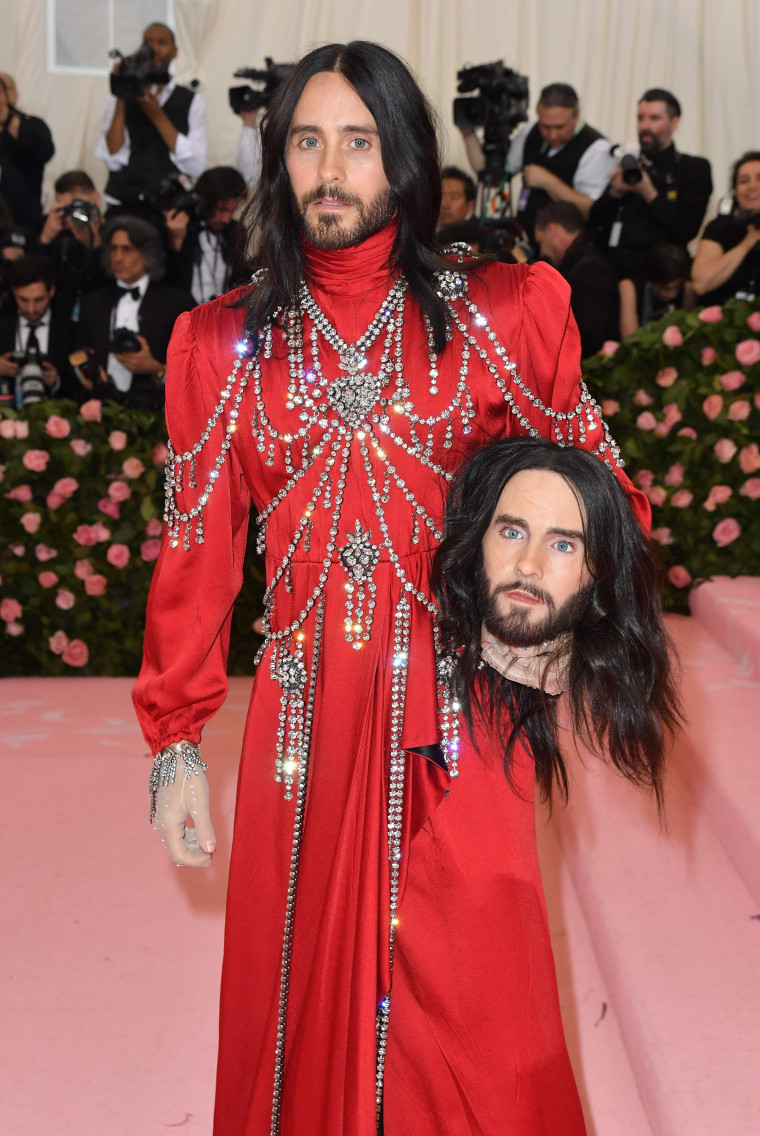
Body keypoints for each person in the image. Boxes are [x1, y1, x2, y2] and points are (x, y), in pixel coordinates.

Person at [132, 41, 649, 1136]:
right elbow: (196, 550)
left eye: (356, 142)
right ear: (277, 162)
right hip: (302, 724)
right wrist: (175, 737)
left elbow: (603, 494)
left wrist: (552, 612)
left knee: (482, 1020)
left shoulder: (503, 315)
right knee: (297, 997)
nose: (329, 168)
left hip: (467, 719)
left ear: (403, 159)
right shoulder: (221, 345)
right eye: (305, 142)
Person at [433, 436, 678, 801]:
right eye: (512, 532)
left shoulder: (598, 727)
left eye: (563, 545)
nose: (529, 566)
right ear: (478, 539)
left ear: (600, 570)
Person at [461, 83, 613, 243]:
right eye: (545, 126)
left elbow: (590, 210)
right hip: (527, 241)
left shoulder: (596, 149)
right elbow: (491, 174)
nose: (552, 135)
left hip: (568, 251)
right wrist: (468, 135)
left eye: (560, 127)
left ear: (576, 116)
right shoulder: (531, 131)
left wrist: (548, 182)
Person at [588, 88, 712, 285]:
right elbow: (593, 220)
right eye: (640, 118)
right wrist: (614, 193)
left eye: (654, 118)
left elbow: (686, 230)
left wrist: (649, 193)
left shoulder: (693, 169)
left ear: (674, 122)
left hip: (660, 279)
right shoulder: (630, 166)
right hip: (612, 274)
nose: (645, 126)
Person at [76, 215, 194, 409]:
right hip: (101, 410)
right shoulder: (93, 303)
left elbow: (193, 365)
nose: (118, 257)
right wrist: (86, 374)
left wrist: (157, 369)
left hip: (157, 412)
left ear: (148, 254)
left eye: (127, 249)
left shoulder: (176, 303)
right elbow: (79, 350)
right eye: (113, 249)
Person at [95, 22, 207, 210]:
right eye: (148, 43)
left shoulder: (191, 100)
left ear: (175, 51)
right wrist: (123, 93)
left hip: (170, 208)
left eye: (162, 42)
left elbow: (197, 167)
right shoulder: (119, 98)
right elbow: (113, 158)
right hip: (125, 204)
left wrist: (157, 116)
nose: (154, 49)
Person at [534, 201, 620, 356]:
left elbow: (590, 335)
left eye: (540, 242)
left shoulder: (589, 268)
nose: (541, 253)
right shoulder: (582, 261)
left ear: (553, 230)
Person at [163, 166, 248, 304]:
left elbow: (239, 279)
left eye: (231, 212)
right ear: (203, 202)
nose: (226, 219)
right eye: (222, 210)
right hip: (185, 317)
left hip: (223, 316)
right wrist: (176, 244)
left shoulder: (234, 230)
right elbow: (169, 286)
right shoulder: (180, 229)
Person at [0, 255, 76, 399]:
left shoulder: (70, 331)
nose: (31, 309)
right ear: (14, 292)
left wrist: (56, 381)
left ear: (51, 291)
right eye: (23, 300)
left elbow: (80, 386)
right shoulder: (3, 328)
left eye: (39, 300)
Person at [38, 170, 109, 322]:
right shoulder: (60, 239)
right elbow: (39, 280)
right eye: (68, 210)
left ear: (95, 198)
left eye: (78, 206)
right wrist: (45, 239)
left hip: (101, 317)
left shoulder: (115, 232)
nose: (75, 215)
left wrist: (95, 245)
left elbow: (113, 281)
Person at [691, 151, 760, 306]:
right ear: (735, 191)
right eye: (744, 181)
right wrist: (747, 243)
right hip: (722, 322)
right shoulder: (720, 227)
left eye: (759, 179)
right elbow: (701, 284)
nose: (752, 186)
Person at [0, 72, 55, 231]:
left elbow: (45, 152)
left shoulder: (32, 125)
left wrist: (6, 117)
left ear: (14, 94)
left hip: (23, 222)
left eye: (3, 87)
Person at [619, 242, 695, 337]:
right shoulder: (630, 287)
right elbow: (630, 339)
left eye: (678, 288)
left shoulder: (687, 288)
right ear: (653, 281)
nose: (673, 295)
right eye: (667, 289)